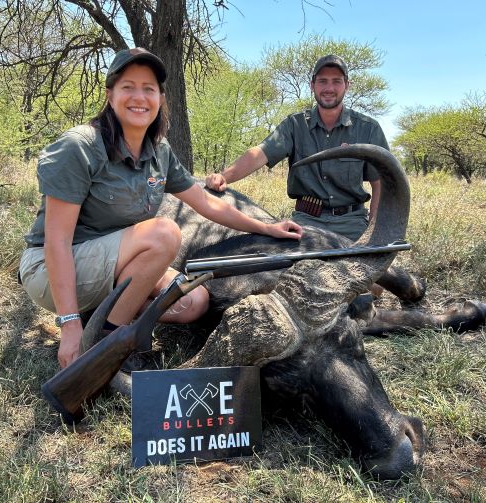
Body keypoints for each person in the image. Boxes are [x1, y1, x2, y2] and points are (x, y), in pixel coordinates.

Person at [19, 48, 302, 369]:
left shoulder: (158, 151)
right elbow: (57, 241)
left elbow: (206, 202)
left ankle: (105, 317)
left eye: (149, 88)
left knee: (195, 301)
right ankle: (107, 344)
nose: (139, 96)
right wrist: (69, 324)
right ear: (110, 94)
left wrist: (267, 228)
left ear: (160, 97)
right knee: (164, 233)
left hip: (116, 267)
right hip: (52, 270)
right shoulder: (79, 146)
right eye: (128, 87)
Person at [205, 54, 388, 242]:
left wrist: (374, 234)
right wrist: (224, 176)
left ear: (347, 85)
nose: (329, 88)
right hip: (306, 222)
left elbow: (381, 185)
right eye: (322, 81)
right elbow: (260, 153)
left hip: (353, 224)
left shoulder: (369, 129)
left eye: (336, 81)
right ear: (312, 86)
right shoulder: (295, 124)